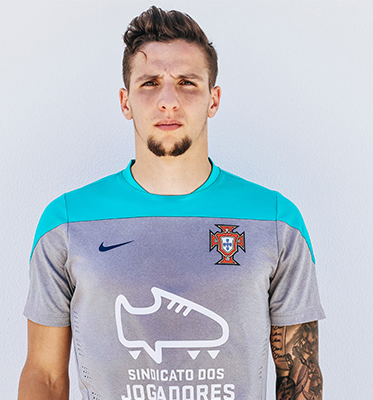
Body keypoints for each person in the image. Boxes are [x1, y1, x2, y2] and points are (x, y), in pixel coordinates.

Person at [18, 6, 325, 400]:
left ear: (213, 99)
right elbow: (45, 375)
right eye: (149, 83)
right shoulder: (66, 223)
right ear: (125, 102)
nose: (168, 101)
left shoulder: (277, 221)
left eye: (186, 83)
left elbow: (299, 378)